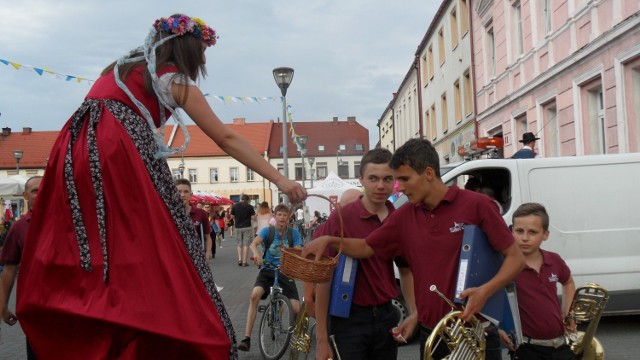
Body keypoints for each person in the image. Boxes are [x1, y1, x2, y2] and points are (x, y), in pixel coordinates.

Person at [15, 14, 305, 359]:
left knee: (92, 239)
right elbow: (225, 137)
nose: (204, 61)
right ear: (186, 49)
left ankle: (87, 304)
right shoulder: (172, 78)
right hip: (116, 150)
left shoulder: (118, 69)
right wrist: (281, 180)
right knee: (157, 236)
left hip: (75, 150)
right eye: (202, 52)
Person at [302, 138, 525, 360]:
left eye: (404, 179)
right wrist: (331, 240)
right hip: (433, 334)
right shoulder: (404, 215)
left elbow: (515, 259)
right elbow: (366, 246)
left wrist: (486, 290)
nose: (399, 187)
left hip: (476, 334)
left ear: (428, 173)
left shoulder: (478, 205)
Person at [309, 148, 417, 360]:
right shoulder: (342, 217)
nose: (380, 185)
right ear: (361, 180)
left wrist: (413, 312)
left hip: (387, 316)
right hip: (349, 317)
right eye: (373, 178)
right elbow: (323, 277)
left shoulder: (398, 219)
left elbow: (405, 270)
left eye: (387, 179)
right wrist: (321, 339)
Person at [499, 203, 576, 359]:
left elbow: (568, 282)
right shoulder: (504, 264)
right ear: (511, 230)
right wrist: (498, 329)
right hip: (528, 349)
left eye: (533, 232)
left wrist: (568, 314)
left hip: (561, 345)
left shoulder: (554, 260)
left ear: (546, 235)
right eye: (519, 231)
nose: (525, 237)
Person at [237, 204, 303, 352]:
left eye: (285, 215)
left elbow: (299, 249)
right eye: (279, 215)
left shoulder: (294, 234)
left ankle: (293, 330)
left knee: (297, 309)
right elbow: (254, 243)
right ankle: (246, 339)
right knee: (254, 296)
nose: (282, 218)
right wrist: (257, 255)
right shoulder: (268, 231)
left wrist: (296, 252)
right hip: (267, 270)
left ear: (288, 217)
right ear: (274, 216)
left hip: (286, 272)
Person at [0, 176, 42, 360]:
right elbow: (9, 268)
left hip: (65, 306)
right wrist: (3, 306)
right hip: (34, 309)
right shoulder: (19, 228)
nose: (40, 193)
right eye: (34, 191)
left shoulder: (65, 223)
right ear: (25, 196)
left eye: (44, 188)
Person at [176, 179, 212, 261]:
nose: (182, 195)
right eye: (179, 191)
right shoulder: (169, 213)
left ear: (191, 194)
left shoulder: (201, 213)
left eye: (186, 192)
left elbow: (207, 237)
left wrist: (207, 253)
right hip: (176, 257)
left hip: (196, 257)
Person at [230, 194, 256, 266]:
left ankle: (240, 260)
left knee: (239, 244)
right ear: (248, 200)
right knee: (246, 244)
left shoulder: (235, 206)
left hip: (238, 227)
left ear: (240, 198)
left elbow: (232, 216)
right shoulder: (249, 206)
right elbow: (253, 218)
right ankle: (245, 261)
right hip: (247, 226)